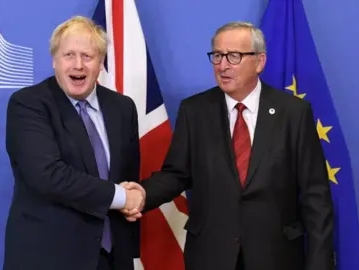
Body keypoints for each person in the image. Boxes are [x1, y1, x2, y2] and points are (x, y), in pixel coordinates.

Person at [123, 21, 335, 270]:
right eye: (217, 56)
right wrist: (143, 194)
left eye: (234, 56)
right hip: (211, 255)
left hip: (277, 256)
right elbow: (176, 175)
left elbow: (316, 197)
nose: (223, 65)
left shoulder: (294, 113)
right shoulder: (195, 111)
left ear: (259, 62)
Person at [3, 16, 144, 270]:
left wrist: (132, 198)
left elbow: (128, 174)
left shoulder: (122, 108)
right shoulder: (28, 104)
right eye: (69, 55)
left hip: (112, 259)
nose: (78, 65)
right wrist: (123, 197)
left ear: (100, 63)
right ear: (54, 61)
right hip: (49, 258)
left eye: (87, 56)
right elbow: (48, 175)